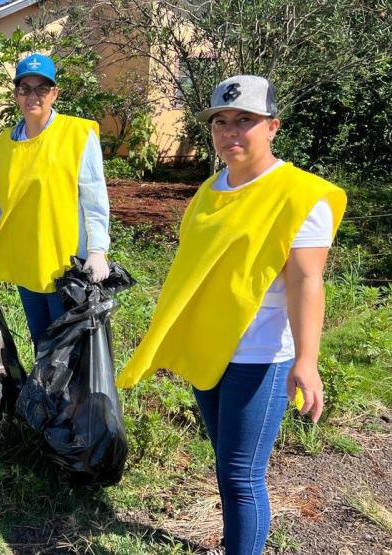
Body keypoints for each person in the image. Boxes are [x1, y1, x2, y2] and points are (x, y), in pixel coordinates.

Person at [116, 75, 347, 554]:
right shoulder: (208, 190)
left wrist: (307, 361)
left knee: (242, 476)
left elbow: (307, 281)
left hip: (261, 356)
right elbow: (192, 273)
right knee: (226, 464)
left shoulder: (301, 196)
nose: (230, 131)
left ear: (273, 127)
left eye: (245, 120)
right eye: (221, 121)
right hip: (208, 351)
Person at [0, 53, 111, 349]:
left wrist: (98, 249)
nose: (32, 96)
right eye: (25, 88)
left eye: (42, 88)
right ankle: (45, 395)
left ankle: (69, 398)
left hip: (67, 266)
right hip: (27, 261)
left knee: (69, 349)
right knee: (41, 342)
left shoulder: (76, 134)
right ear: (15, 94)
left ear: (55, 93)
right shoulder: (5, 144)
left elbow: (94, 196)